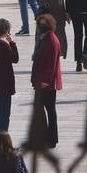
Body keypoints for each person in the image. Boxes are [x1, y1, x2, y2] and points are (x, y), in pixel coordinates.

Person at [30, 14, 63, 149]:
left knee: (49, 111)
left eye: (44, 25)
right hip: (41, 80)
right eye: (40, 24)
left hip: (46, 83)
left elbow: (51, 63)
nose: (41, 27)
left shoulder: (50, 40)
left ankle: (51, 138)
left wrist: (45, 80)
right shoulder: (45, 38)